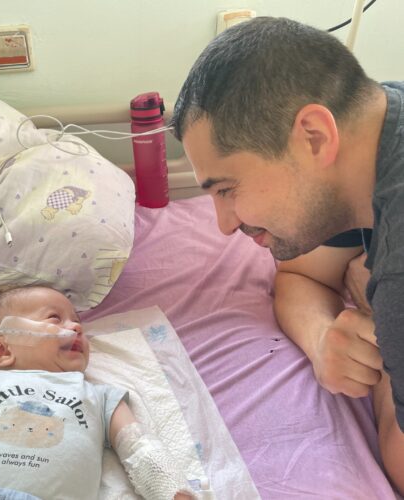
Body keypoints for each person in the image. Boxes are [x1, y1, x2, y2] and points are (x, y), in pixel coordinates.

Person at [171, 16, 404, 493]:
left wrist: (378, 324)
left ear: (314, 136)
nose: (224, 224)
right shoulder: (374, 132)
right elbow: (300, 276)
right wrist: (322, 340)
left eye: (227, 189)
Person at [0, 286, 195, 500]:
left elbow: (139, 448)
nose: (76, 327)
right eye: (55, 319)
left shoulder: (100, 396)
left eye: (78, 322)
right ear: (1, 350)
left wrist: (171, 490)